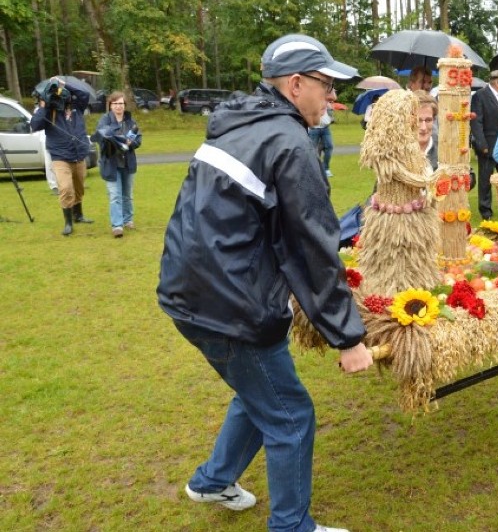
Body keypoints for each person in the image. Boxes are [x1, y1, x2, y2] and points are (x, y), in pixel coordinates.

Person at [157, 33, 373, 532]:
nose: (333, 97)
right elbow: (311, 251)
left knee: (259, 393)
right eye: (326, 84)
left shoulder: (239, 125)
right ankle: (292, 526)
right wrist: (348, 337)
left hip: (187, 293)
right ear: (296, 85)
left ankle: (212, 481)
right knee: (291, 416)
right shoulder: (289, 142)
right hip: (232, 306)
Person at [30, 76, 95, 236]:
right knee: (66, 188)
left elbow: (84, 95)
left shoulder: (77, 107)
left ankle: (78, 215)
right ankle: (68, 223)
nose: (61, 97)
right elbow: (35, 125)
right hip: (60, 157)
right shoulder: (49, 111)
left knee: (79, 187)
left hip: (79, 154)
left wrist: (64, 84)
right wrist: (45, 105)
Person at [91, 91, 141, 238]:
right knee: (115, 196)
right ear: (110, 105)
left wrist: (131, 143)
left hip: (128, 163)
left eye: (121, 104)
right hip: (111, 164)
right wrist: (115, 140)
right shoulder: (104, 120)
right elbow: (101, 138)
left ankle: (128, 220)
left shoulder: (131, 121)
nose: (118, 106)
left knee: (127, 195)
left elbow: (139, 139)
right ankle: (117, 226)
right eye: (115, 103)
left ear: (125, 105)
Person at [470, 69, 498, 219]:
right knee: (486, 180)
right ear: (497, 81)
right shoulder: (480, 96)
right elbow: (476, 121)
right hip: (488, 145)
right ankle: (486, 212)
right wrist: (482, 144)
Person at [308, 98, 335, 177]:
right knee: (312, 149)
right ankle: (314, 169)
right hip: (314, 128)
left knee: (329, 146)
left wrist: (330, 115)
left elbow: (330, 111)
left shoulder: (325, 101)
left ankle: (326, 168)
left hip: (325, 127)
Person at [414, 90, 439, 171]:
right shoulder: (398, 152)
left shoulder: (443, 149)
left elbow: (470, 174)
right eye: (418, 120)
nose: (423, 127)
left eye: (428, 120)